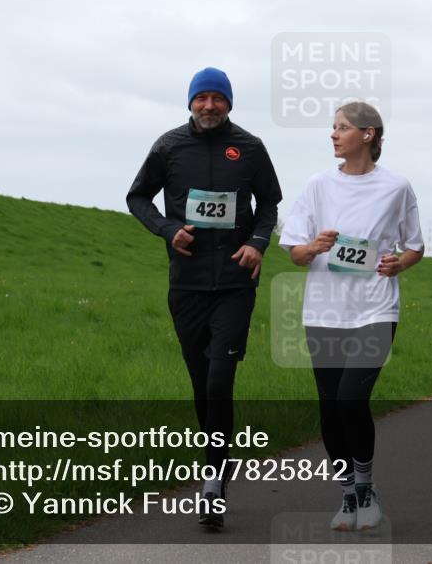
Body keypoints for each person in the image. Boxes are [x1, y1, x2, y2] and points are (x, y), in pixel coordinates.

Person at [126, 67, 283, 530]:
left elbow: (270, 202)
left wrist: (257, 242)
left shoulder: (250, 148)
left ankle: (212, 482)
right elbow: (138, 198)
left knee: (219, 380)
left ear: (229, 103)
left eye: (218, 98)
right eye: (202, 98)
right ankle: (219, 458)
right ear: (190, 103)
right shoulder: (169, 146)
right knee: (201, 383)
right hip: (188, 284)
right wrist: (168, 229)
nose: (209, 105)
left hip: (235, 281)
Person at [279, 101, 424, 532]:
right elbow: (295, 253)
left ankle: (365, 488)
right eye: (333, 127)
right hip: (324, 312)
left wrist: (401, 263)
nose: (333, 134)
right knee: (329, 409)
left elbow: (414, 246)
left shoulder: (397, 188)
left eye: (342, 127)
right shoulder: (317, 185)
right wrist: (315, 247)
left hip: (375, 309)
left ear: (368, 134)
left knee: (350, 400)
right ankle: (346, 494)